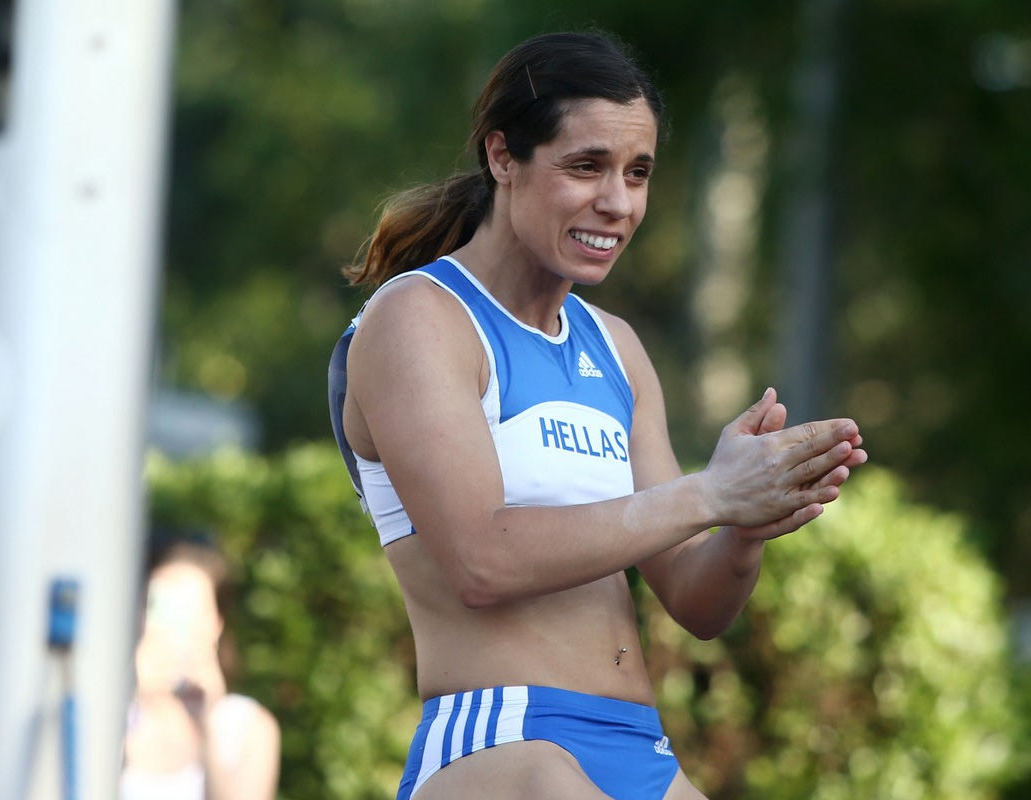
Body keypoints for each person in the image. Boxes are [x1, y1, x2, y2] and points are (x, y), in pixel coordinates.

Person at [329, 30, 867, 800]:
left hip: (640, 749)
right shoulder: (421, 317)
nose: (617, 203)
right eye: (586, 167)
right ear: (503, 156)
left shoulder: (615, 347)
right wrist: (707, 492)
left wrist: (746, 522)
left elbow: (696, 603)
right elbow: (481, 561)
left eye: (637, 173)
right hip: (506, 742)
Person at [120, 533, 281, 800]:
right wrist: (129, 694)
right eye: (162, 608)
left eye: (189, 612)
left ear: (217, 623)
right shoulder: (118, 710)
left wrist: (208, 728)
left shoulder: (248, 726)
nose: (172, 630)